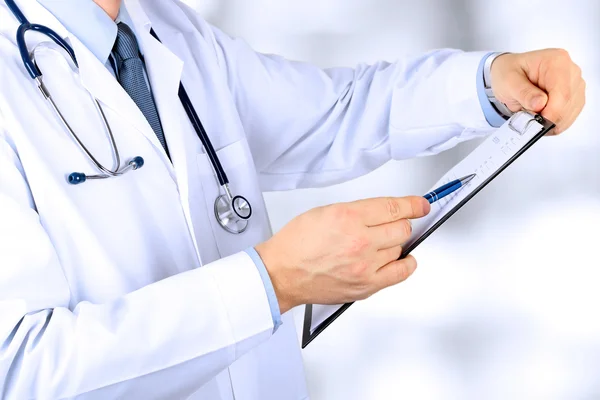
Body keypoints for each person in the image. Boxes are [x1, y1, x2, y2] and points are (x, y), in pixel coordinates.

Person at [0, 0, 585, 399]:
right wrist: (271, 281)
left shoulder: (162, 27)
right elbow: (21, 370)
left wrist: (486, 82)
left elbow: (332, 114)